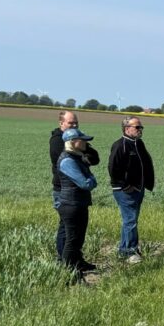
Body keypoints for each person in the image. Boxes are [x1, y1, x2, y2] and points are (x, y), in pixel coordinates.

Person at [49, 110, 99, 259]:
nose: (74, 125)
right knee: (68, 232)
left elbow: (95, 158)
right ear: (61, 123)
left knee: (75, 235)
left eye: (76, 122)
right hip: (65, 192)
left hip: (76, 196)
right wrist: (86, 166)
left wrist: (84, 158)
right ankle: (64, 261)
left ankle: (75, 261)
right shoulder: (58, 142)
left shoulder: (77, 143)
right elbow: (84, 180)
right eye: (71, 123)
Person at [107, 116, 155, 263]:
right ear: (127, 128)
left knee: (130, 220)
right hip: (125, 190)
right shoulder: (120, 145)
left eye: (141, 127)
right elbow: (113, 168)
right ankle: (130, 252)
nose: (140, 130)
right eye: (137, 127)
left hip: (138, 188)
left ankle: (124, 248)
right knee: (130, 221)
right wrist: (125, 185)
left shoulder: (139, 144)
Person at [55, 127, 98, 280]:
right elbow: (86, 183)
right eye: (83, 140)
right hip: (71, 204)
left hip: (78, 203)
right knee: (72, 241)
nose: (86, 143)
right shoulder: (67, 160)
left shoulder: (75, 157)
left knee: (77, 239)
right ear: (73, 142)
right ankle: (71, 274)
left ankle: (75, 268)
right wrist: (92, 178)